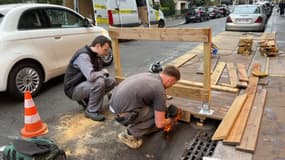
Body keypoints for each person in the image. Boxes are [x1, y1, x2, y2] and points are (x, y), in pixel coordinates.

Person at [109, 65, 181, 149]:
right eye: (173, 83)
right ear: (170, 80)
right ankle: (129, 135)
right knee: (157, 117)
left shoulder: (150, 76)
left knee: (157, 110)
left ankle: (141, 126)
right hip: (122, 115)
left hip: (113, 106)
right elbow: (160, 124)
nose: (172, 85)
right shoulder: (159, 90)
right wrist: (171, 120)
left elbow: (148, 93)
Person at [64, 35, 116, 121]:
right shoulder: (83, 56)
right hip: (73, 89)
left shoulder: (96, 56)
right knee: (99, 82)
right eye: (105, 50)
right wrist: (102, 72)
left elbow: (99, 75)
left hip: (84, 85)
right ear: (98, 46)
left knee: (111, 81)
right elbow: (91, 76)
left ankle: (89, 100)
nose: (106, 53)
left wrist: (110, 94)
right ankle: (91, 111)